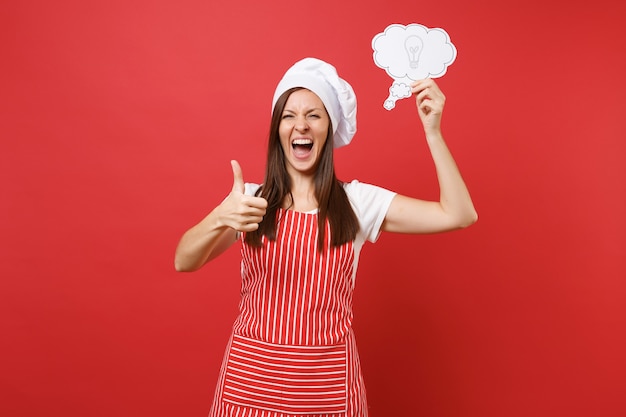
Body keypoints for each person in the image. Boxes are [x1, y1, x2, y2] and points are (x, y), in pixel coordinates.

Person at [175, 57, 477, 417]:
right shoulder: (251, 201)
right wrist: (219, 217)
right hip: (249, 388)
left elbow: (459, 214)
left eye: (313, 115)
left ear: (329, 129)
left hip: (328, 391)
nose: (300, 124)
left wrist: (433, 132)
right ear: (277, 130)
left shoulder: (358, 202)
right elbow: (183, 260)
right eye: (289, 115)